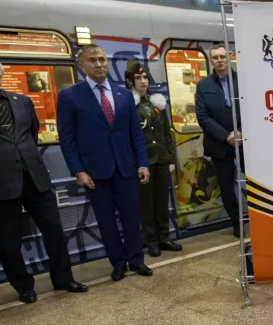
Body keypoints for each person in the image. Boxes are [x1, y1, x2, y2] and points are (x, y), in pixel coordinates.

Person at [57, 44, 153, 282]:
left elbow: (135, 133)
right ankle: (118, 263)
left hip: (126, 168)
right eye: (92, 60)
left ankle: (136, 260)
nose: (99, 64)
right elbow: (67, 138)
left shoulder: (123, 94)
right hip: (94, 172)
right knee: (106, 220)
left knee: (132, 218)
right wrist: (78, 170)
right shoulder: (70, 96)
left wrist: (142, 163)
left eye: (102, 59)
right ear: (82, 66)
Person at [0, 64, 88, 302]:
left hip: (35, 178)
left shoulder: (22, 101)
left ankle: (63, 279)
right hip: (2, 185)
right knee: (7, 242)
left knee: (54, 231)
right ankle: (24, 286)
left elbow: (31, 134)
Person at [125, 60, 182, 257]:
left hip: (161, 160)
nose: (143, 81)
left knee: (161, 201)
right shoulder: (129, 105)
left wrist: (170, 157)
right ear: (130, 81)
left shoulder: (157, 103)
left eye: (145, 77)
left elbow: (167, 133)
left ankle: (164, 237)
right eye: (138, 78)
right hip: (143, 163)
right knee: (146, 204)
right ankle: (151, 240)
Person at [195, 44, 244, 238]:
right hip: (219, 144)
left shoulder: (243, 79)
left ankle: (260, 217)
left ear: (229, 57)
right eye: (215, 57)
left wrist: (241, 132)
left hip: (246, 141)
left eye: (223, 56)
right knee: (226, 186)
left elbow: (254, 108)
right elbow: (202, 116)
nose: (220, 60)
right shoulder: (203, 85)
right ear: (211, 61)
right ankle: (237, 222)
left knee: (254, 181)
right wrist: (226, 135)